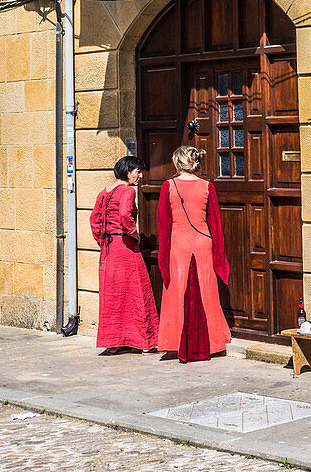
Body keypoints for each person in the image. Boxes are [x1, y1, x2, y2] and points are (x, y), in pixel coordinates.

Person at [157, 145, 231, 363]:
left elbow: (163, 223)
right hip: (203, 243)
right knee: (206, 290)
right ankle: (213, 341)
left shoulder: (168, 186)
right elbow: (215, 223)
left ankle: (175, 341)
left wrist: (163, 253)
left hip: (179, 243)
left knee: (177, 292)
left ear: (178, 163)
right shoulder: (208, 186)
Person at [89, 155, 159, 353]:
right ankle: (144, 342)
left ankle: (114, 344)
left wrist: (102, 241)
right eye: (137, 171)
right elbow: (125, 216)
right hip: (125, 247)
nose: (140, 175)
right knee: (137, 292)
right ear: (128, 171)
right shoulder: (127, 191)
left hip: (109, 250)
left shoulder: (104, 192)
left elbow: (93, 219)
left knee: (113, 295)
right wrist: (134, 234)